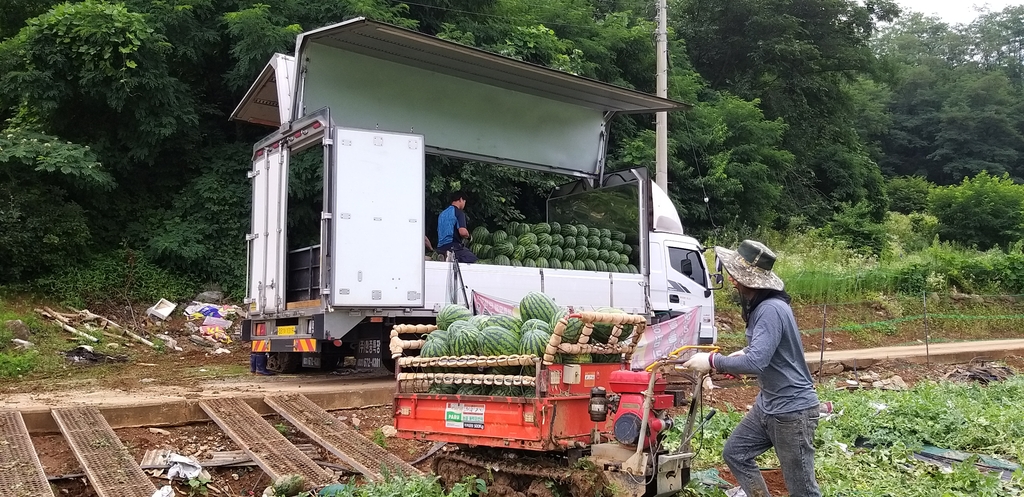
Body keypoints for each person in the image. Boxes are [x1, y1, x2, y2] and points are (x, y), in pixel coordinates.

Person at [683, 240, 821, 497]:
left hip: (792, 410)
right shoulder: (765, 307)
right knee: (735, 453)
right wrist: (743, 353)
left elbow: (757, 362)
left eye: (736, 276)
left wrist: (713, 361)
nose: (733, 281)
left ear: (753, 281)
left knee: (803, 490)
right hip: (768, 405)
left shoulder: (770, 309)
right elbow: (765, 352)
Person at [436, 191, 478, 263]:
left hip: (440, 248)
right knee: (472, 258)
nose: (464, 204)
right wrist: (469, 236)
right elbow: (463, 232)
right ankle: (452, 257)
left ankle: (444, 256)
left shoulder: (442, 214)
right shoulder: (458, 212)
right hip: (453, 247)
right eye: (464, 201)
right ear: (461, 199)